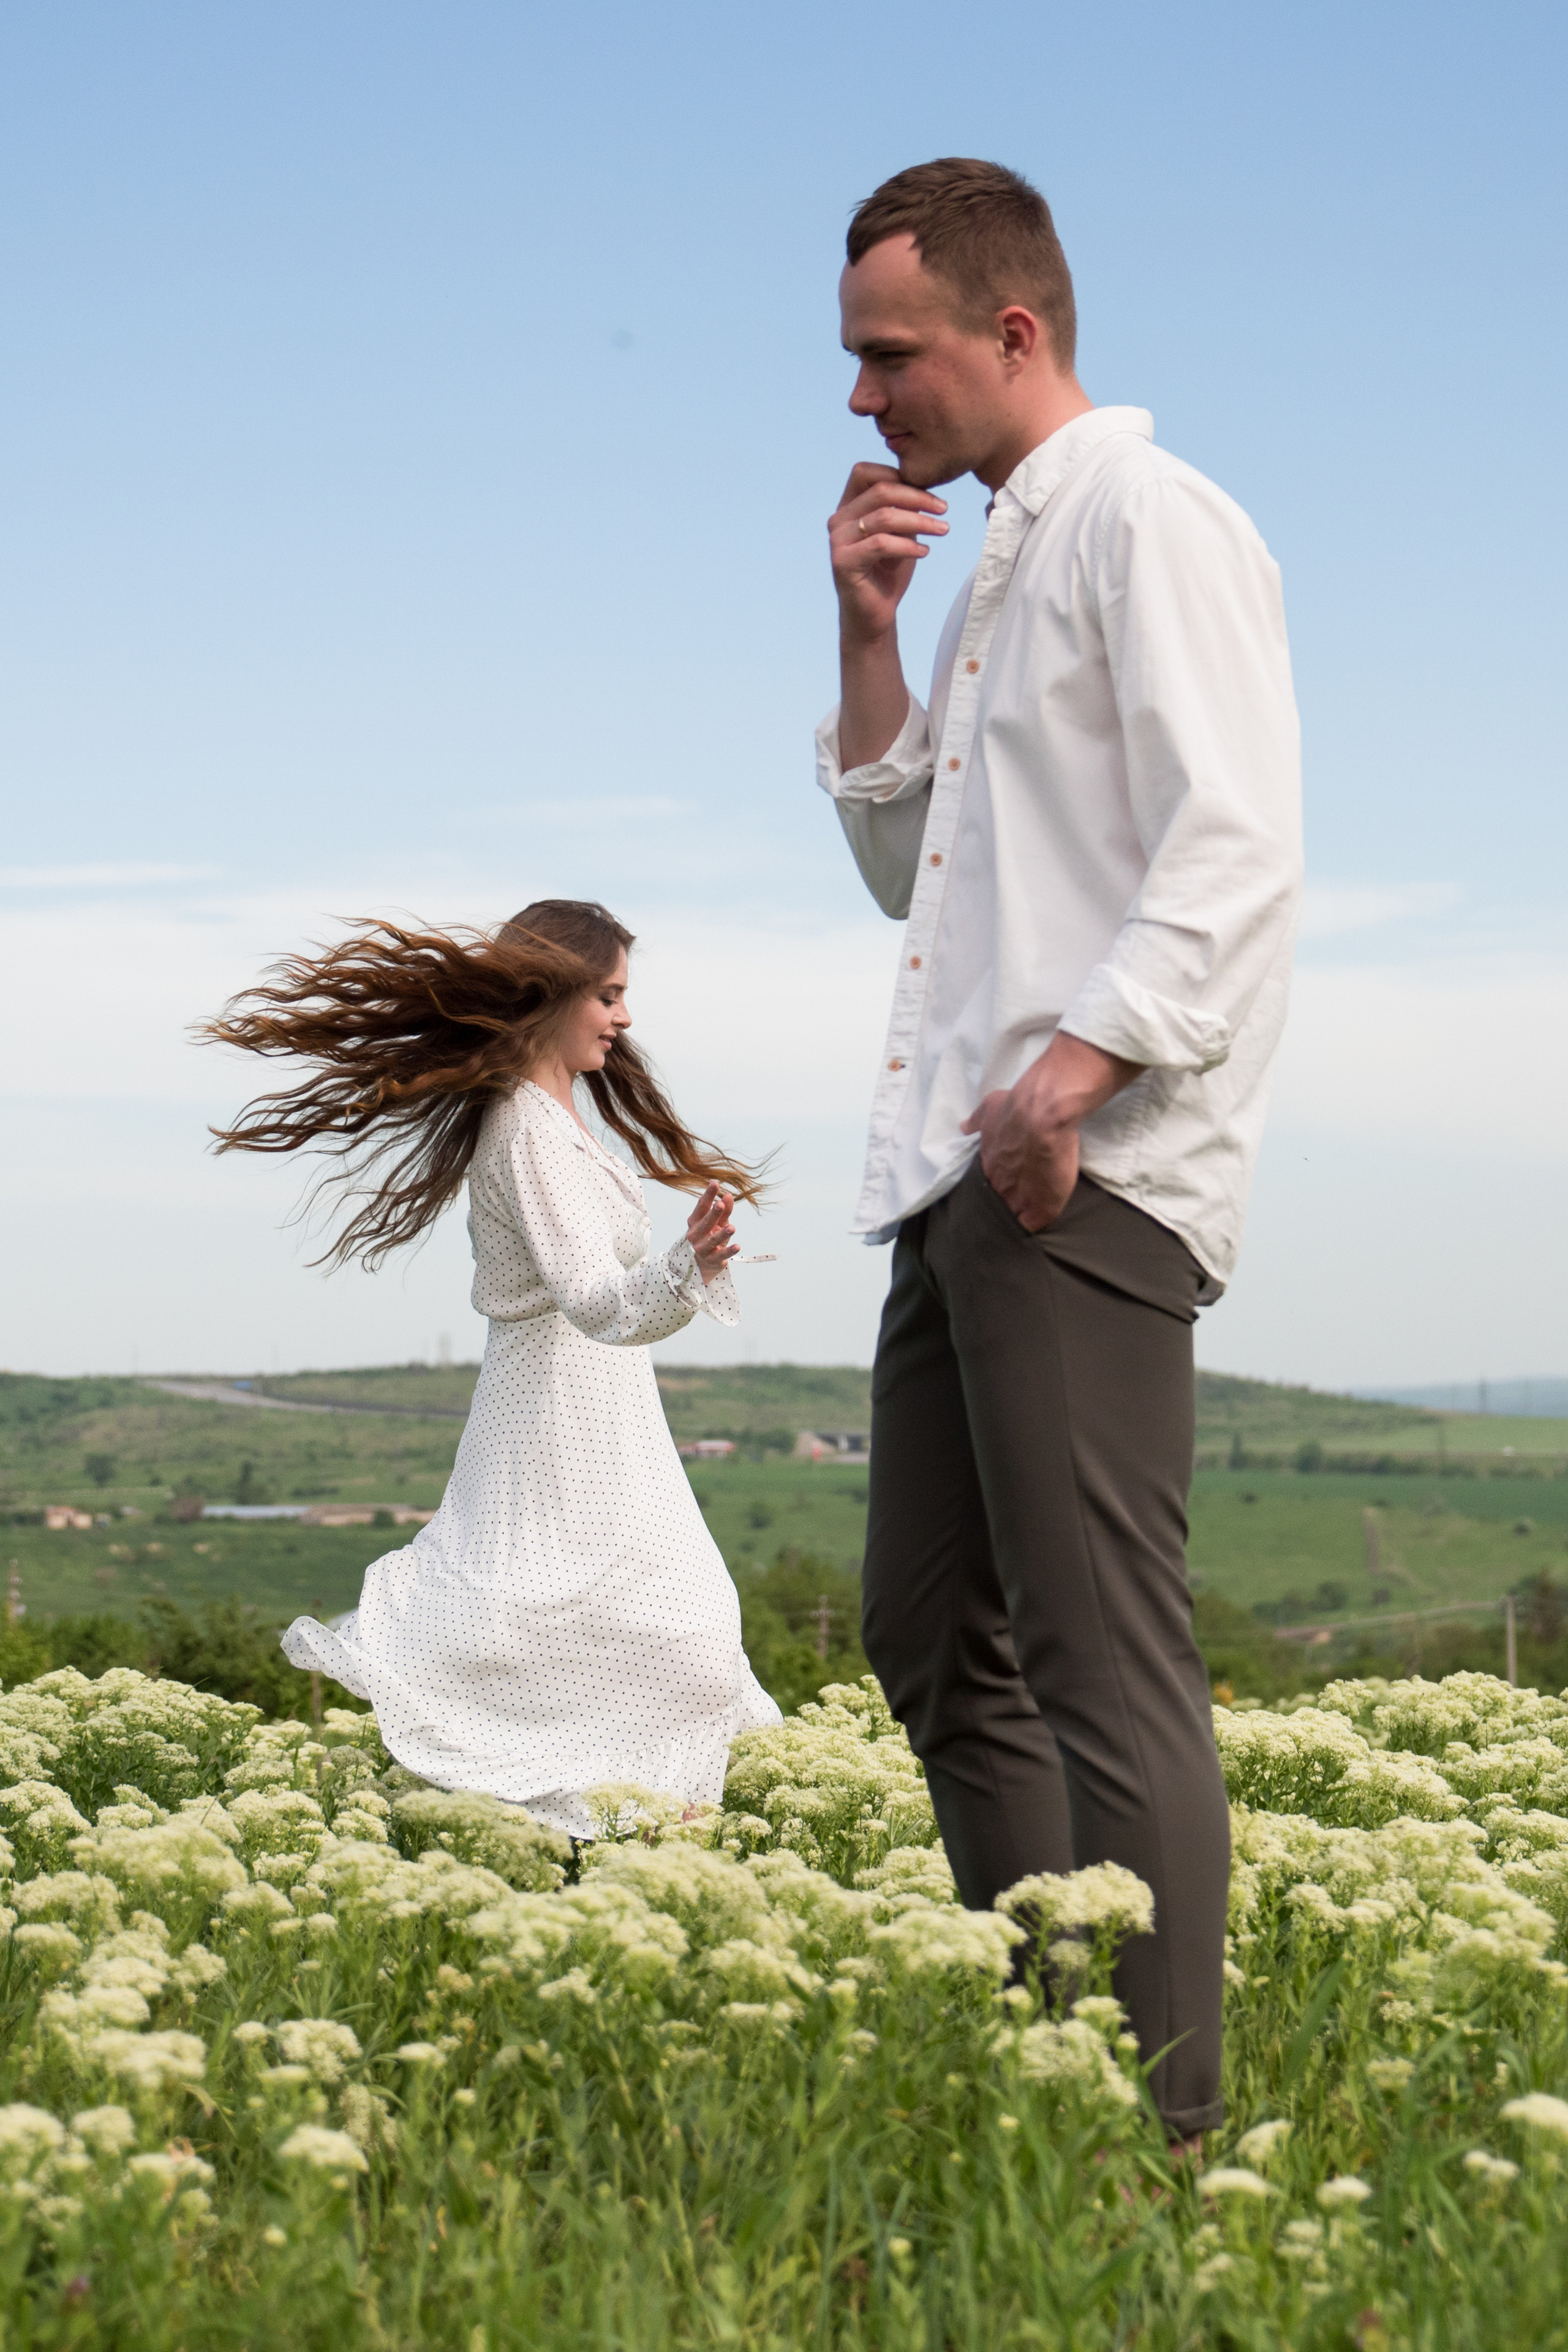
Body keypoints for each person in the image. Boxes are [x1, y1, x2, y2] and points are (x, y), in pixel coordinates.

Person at [817, 158, 1302, 2146]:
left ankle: (1166, 2155)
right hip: (964, 1175)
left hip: (1072, 1170)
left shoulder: (1153, 524)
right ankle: (1060, 2064)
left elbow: (1237, 849)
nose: (861, 400)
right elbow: (897, 867)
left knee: (1104, 1669)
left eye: (889, 353)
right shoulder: (1007, 557)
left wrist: (1065, 1087)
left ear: (1015, 333)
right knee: (936, 1634)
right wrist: (868, 626)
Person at [202, 898, 780, 1835]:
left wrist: (690, 1266)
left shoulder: (562, 1118)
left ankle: (602, 1836)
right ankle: (570, 1829)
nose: (625, 1018)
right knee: (611, 1622)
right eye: (610, 994)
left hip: (606, 1410)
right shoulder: (526, 1127)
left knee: (658, 1626)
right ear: (552, 993)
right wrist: (685, 1265)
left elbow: (610, 1309)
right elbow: (596, 1304)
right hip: (549, 1406)